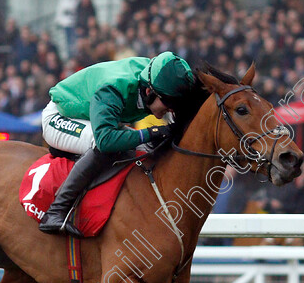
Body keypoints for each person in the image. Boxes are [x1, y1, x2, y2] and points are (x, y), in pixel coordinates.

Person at [38, 51, 195, 236]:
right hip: (60, 117)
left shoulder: (156, 76)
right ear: (148, 92)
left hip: (93, 117)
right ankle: (56, 211)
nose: (171, 109)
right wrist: (152, 132)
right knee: (105, 145)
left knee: (146, 149)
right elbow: (106, 140)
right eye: (168, 102)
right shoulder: (113, 88)